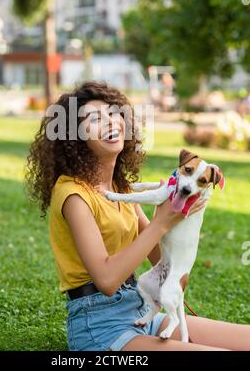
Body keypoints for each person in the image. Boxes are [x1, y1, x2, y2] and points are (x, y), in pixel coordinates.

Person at [25, 80, 250, 351]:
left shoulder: (121, 187)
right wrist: (162, 222)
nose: (110, 122)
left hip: (142, 310)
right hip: (100, 327)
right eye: (94, 119)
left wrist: (180, 213)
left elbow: (159, 257)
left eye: (113, 113)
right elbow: (107, 280)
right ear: (75, 136)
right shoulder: (73, 195)